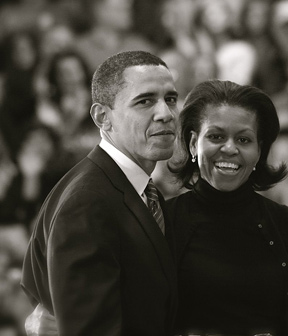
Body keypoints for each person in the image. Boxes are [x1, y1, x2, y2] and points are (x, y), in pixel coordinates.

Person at [166, 79, 288, 335]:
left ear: (259, 150)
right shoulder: (162, 223)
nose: (229, 148)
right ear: (194, 143)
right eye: (216, 136)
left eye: (243, 139)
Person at [20, 50, 179, 335]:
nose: (165, 114)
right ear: (102, 117)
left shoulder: (137, 189)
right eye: (145, 101)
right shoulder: (86, 202)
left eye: (170, 99)